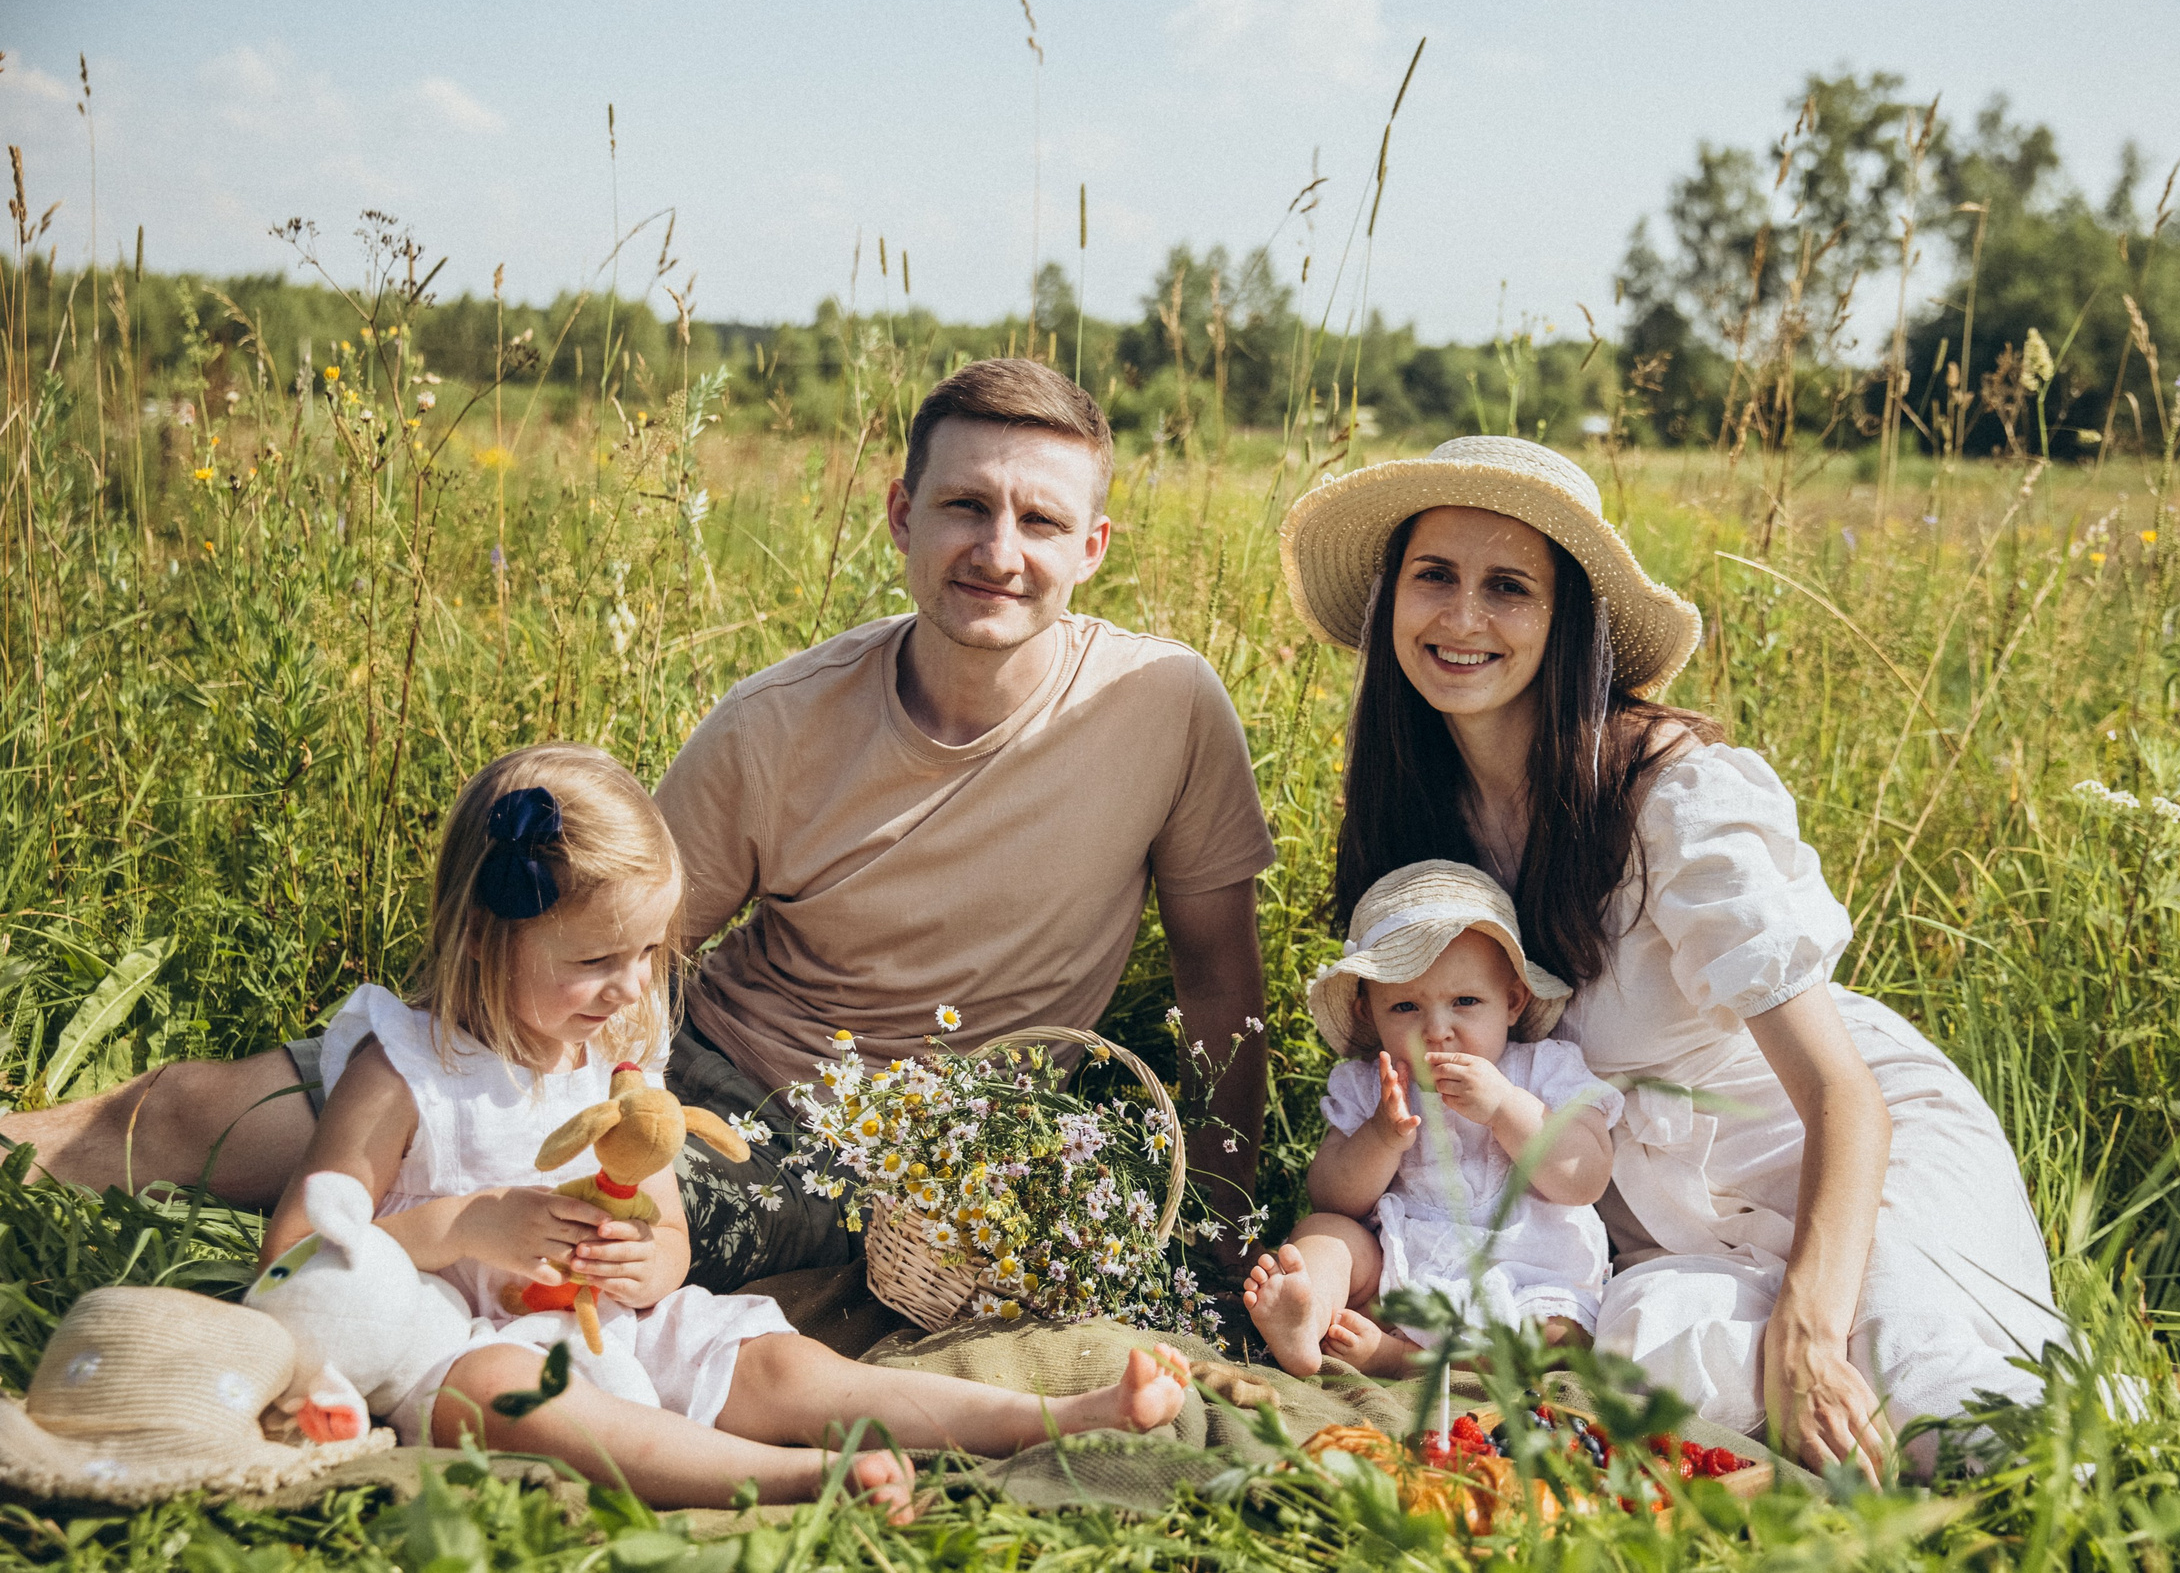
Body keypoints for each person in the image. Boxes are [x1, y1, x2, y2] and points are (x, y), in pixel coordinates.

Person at [12, 360, 1277, 1297]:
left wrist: (1218, 1237)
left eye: (1041, 520)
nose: (998, 550)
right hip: (676, 1055)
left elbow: (1224, 978)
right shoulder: (779, 723)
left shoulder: (1163, 708)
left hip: (862, 1157)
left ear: (1094, 545)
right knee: (212, 1113)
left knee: (578, 1222)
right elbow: (613, 947)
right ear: (900, 513)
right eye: (965, 507)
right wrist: (470, 1081)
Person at [1277, 435, 2067, 1479]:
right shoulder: (1424, 820)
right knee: (1653, 1368)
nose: (1462, 618)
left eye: (1507, 586)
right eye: (1434, 576)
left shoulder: (1673, 797)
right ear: (1392, 603)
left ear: (1565, 625)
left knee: (1917, 1384)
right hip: (1662, 1235)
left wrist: (1809, 1325)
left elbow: (1843, 1093)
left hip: (1841, 1155)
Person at [264, 740, 1194, 1512]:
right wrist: (465, 1227)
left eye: (646, 953)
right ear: (484, 937)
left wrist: (652, 1261)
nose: (633, 987)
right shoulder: (405, 1069)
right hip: (455, 1341)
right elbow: (298, 1250)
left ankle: (1050, 1414)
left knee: (785, 1364)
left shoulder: (613, 1055)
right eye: (596, 959)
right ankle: (796, 1476)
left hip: (613, 1328)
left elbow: (666, 1227)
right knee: (511, 1389)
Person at [1241, 860, 1621, 1379]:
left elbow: (1585, 1176)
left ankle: (1401, 1360)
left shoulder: (1544, 1068)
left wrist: (1506, 1107)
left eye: (1465, 1001)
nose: (1437, 1030)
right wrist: (1381, 1135)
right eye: (1404, 1008)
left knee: (1559, 1338)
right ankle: (1304, 1313)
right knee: (1325, 1232)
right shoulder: (1370, 1081)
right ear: (1366, 1013)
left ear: (1512, 1000)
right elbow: (1331, 1194)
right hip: (1401, 1270)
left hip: (1527, 1277)